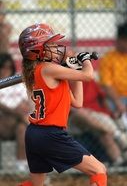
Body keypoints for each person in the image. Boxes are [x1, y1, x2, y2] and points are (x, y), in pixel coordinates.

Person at [18, 23, 107, 186]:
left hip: (35, 134)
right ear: (37, 50)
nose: (56, 47)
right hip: (51, 134)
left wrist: (77, 68)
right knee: (99, 170)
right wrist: (85, 59)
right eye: (50, 45)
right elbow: (88, 76)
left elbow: (78, 102)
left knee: (35, 184)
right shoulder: (48, 68)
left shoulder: (44, 71)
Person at [69, 79, 127, 166]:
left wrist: (110, 113)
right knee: (80, 112)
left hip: (96, 118)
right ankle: (119, 135)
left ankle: (119, 162)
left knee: (104, 133)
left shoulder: (89, 80)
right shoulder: (65, 81)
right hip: (74, 119)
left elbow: (102, 99)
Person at [0, 53, 29, 172]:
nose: (6, 70)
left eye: (9, 67)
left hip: (18, 122)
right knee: (21, 119)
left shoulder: (17, 83)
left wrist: (19, 111)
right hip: (2, 123)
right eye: (3, 67)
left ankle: (21, 165)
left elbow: (26, 104)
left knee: (22, 128)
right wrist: (13, 111)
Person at [99, 21, 127, 128]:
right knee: (109, 106)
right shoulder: (108, 58)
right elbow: (107, 85)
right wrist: (118, 103)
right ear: (120, 40)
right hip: (116, 99)